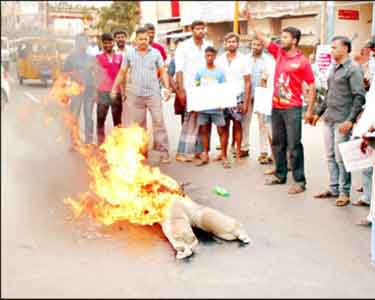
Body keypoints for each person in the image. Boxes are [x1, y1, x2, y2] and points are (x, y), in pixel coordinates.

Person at [247, 12, 316, 195]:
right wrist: (251, 19)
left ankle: (299, 181)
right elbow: (261, 38)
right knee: (278, 143)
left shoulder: (302, 61)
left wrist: (309, 110)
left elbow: (311, 85)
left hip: (293, 108)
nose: (281, 39)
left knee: (294, 145)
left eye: (285, 37)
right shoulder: (279, 53)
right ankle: (280, 174)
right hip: (276, 107)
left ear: (294, 40)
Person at [312, 36, 366, 206]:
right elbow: (329, 93)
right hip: (329, 118)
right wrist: (318, 113)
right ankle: (334, 188)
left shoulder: (353, 69)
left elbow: (359, 96)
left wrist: (350, 120)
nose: (332, 50)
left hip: (342, 120)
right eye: (331, 47)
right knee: (330, 156)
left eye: (335, 47)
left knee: (341, 157)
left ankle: (344, 192)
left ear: (345, 49)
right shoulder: (333, 68)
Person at [111, 27, 172, 164]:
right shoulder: (129, 54)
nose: (144, 41)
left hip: (153, 94)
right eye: (141, 39)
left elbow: (162, 71)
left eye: (146, 39)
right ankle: (142, 152)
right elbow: (122, 72)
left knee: (158, 122)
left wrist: (167, 88)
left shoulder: (156, 53)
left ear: (149, 39)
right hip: (135, 95)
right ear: (136, 40)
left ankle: (164, 151)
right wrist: (114, 88)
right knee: (139, 125)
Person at [175, 20, 212, 162]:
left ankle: (201, 151)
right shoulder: (183, 46)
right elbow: (179, 69)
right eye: (197, 29)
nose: (201, 31)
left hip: (206, 87)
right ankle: (183, 152)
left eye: (203, 28)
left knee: (204, 121)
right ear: (192, 30)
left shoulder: (209, 45)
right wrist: (181, 90)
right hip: (190, 88)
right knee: (190, 119)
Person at [215, 32, 251, 165]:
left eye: (234, 41)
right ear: (225, 44)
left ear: (238, 44)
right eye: (229, 42)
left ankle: (237, 154)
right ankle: (223, 155)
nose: (231, 44)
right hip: (223, 96)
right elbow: (216, 81)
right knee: (223, 127)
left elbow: (248, 81)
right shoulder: (219, 60)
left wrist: (246, 102)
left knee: (237, 125)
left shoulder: (244, 59)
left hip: (238, 96)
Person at [193, 46, 229, 168]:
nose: (209, 58)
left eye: (211, 55)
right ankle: (205, 154)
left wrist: (222, 104)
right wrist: (197, 104)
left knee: (221, 130)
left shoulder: (220, 72)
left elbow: (224, 89)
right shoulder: (200, 71)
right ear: (205, 56)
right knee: (204, 131)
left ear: (215, 56)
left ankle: (224, 155)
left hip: (216, 107)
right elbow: (196, 88)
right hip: (203, 107)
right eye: (207, 55)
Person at [63, 34, 96, 148]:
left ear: (87, 44)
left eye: (84, 42)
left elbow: (96, 74)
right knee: (74, 116)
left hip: (89, 90)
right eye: (80, 42)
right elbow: (65, 73)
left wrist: (96, 91)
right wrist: (65, 92)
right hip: (75, 90)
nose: (83, 45)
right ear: (76, 43)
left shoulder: (91, 57)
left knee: (88, 116)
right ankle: (74, 141)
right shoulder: (70, 57)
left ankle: (89, 140)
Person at [247, 37, 275, 164]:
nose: (255, 46)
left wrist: (262, 95)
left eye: (258, 44)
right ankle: (244, 148)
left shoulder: (269, 60)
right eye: (253, 44)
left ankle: (267, 152)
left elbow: (265, 79)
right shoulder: (245, 59)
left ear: (263, 46)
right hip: (247, 95)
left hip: (263, 95)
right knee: (245, 123)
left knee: (265, 125)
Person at [95, 33, 123, 145]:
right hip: (102, 92)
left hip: (116, 92)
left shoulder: (120, 57)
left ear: (113, 43)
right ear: (102, 44)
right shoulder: (98, 57)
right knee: (101, 118)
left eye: (109, 42)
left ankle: (119, 142)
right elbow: (95, 76)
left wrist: (124, 92)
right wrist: (95, 93)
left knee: (117, 120)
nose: (107, 45)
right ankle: (100, 142)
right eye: (105, 43)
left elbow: (123, 75)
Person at [168, 39, 185, 125]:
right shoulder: (174, 61)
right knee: (185, 118)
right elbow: (170, 77)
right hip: (182, 92)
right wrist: (178, 91)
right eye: (179, 47)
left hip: (194, 92)